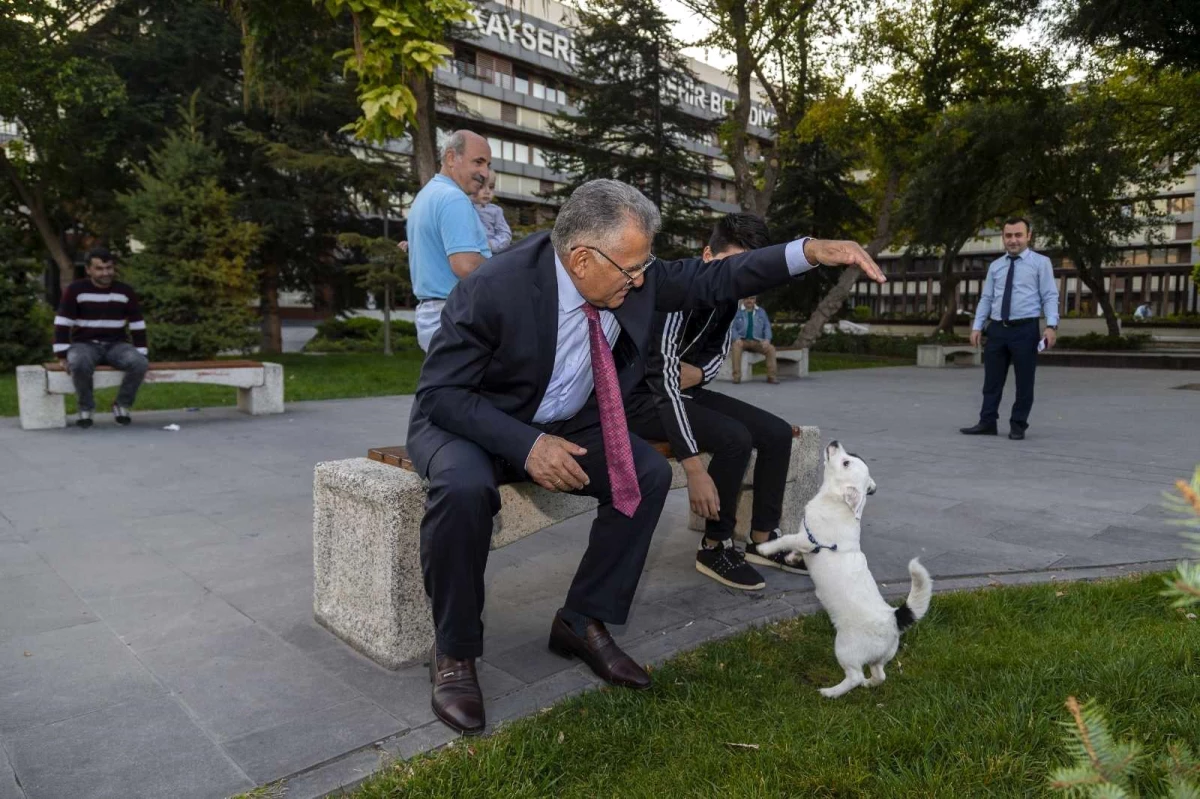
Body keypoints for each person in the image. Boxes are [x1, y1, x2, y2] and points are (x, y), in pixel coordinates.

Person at [407, 179, 886, 735]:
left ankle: (582, 620)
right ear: (582, 258)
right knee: (463, 491)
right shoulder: (494, 287)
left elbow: (718, 276)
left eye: (644, 268)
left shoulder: (627, 274)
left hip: (564, 418)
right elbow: (440, 394)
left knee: (644, 475)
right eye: (631, 269)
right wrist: (527, 444)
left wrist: (811, 252)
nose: (640, 282)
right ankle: (456, 655)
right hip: (472, 418)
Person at [627, 213, 803, 592]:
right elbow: (661, 382)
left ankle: (763, 539)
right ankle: (715, 545)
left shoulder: (730, 297)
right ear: (708, 255)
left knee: (775, 433)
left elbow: (716, 353)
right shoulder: (675, 291)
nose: (739, 278)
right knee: (733, 437)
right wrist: (693, 467)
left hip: (682, 389)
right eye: (734, 265)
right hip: (640, 401)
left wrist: (699, 373)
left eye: (748, 270)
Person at [960, 217, 1059, 441]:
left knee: (1024, 381)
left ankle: (1018, 424)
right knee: (991, 381)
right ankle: (987, 422)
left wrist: (1051, 326)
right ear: (1003, 237)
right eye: (1008, 236)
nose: (1013, 240)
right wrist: (977, 326)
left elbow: (1050, 295)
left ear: (1028, 236)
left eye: (1018, 235)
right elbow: (986, 298)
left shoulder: (1041, 263)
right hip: (997, 329)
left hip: (1025, 329)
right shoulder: (996, 266)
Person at [407, 130, 493, 351]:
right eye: (478, 162)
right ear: (451, 158)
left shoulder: (426, 195)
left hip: (434, 317)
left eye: (488, 165)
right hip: (456, 317)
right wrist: (508, 271)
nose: (484, 172)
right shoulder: (453, 198)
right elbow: (466, 266)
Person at [52, 248, 150, 428]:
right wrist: (62, 354)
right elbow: (63, 322)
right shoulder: (76, 290)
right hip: (84, 344)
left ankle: (121, 405)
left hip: (116, 345)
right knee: (79, 362)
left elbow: (137, 323)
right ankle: (86, 408)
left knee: (140, 363)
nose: (106, 273)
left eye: (109, 268)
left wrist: (141, 352)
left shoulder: (125, 291)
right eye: (99, 268)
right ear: (88, 269)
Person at [729, 296, 777, 383]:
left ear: (755, 300)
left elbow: (767, 327)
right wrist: (736, 338)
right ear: (743, 300)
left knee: (771, 349)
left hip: (757, 341)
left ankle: (771, 377)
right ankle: (736, 377)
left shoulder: (761, 312)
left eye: (751, 298)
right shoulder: (737, 312)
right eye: (747, 298)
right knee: (735, 347)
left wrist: (767, 339)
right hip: (742, 341)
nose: (749, 300)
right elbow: (732, 327)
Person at [472, 176, 512, 254]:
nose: (487, 191)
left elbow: (505, 234)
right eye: (481, 187)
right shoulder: (464, 206)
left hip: (490, 255)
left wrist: (491, 244)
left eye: (491, 187)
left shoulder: (496, 211)